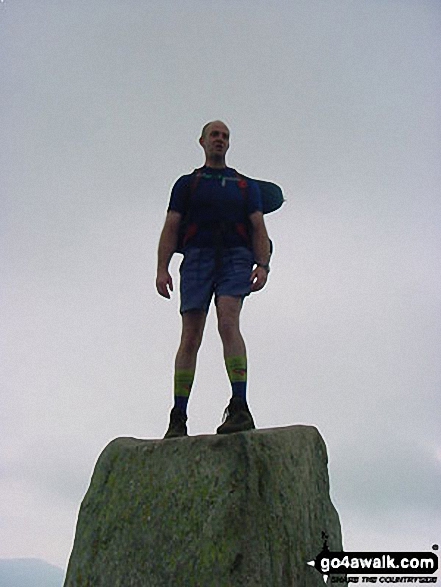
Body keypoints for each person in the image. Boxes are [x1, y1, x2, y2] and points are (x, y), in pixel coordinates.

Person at [156, 120, 271, 438]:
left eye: (225, 136)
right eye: (214, 135)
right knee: (190, 336)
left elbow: (259, 227)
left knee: (228, 322)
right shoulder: (186, 184)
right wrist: (162, 267)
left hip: (235, 256)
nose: (219, 140)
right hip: (196, 259)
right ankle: (178, 415)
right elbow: (171, 226)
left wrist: (263, 264)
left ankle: (239, 406)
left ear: (229, 143)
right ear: (202, 141)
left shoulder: (244, 186)